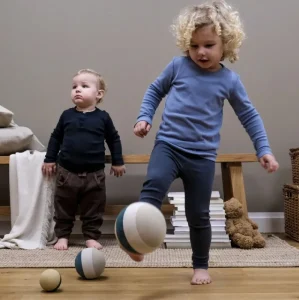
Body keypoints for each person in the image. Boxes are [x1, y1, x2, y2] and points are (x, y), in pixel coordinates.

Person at [131, 0, 279, 285]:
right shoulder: (177, 66)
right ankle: (138, 242)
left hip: (201, 157)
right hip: (168, 147)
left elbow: (249, 115)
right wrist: (144, 117)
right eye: (194, 45)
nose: (200, 52)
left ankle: (200, 265)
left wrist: (264, 149)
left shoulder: (229, 80)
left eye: (209, 45)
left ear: (226, 44)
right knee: (153, 186)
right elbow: (153, 91)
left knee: (198, 214)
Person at [42, 69, 126, 251]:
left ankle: (91, 237)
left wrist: (118, 161)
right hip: (67, 173)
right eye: (74, 87)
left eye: (84, 86)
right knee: (63, 207)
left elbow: (114, 139)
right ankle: (63, 236)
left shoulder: (103, 117)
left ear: (99, 94)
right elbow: (56, 137)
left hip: (94, 175)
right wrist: (50, 159)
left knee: (94, 208)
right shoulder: (67, 115)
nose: (77, 90)